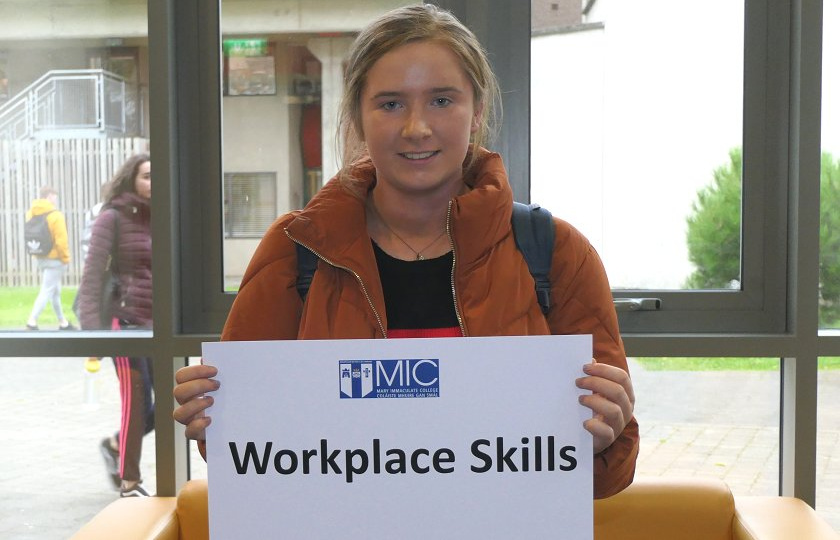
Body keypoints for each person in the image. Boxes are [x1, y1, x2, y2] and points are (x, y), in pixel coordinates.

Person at [173, 4, 638, 499]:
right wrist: (214, 419)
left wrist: (602, 433)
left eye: (441, 100)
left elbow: (610, 473)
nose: (417, 127)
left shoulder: (554, 252)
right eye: (391, 104)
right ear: (358, 117)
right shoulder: (295, 252)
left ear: (476, 111)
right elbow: (254, 454)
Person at [77, 154, 154, 497]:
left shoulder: (162, 217)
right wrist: (94, 336)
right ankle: (129, 482)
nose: (154, 183)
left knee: (159, 407)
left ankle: (113, 445)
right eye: (148, 176)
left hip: (158, 326)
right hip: (125, 322)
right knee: (135, 403)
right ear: (131, 180)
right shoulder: (113, 218)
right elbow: (92, 278)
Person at [25, 185, 76, 331]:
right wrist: (66, 258)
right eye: (54, 196)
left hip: (40, 256)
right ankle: (32, 321)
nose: (55, 199)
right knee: (47, 290)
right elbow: (61, 241)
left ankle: (63, 322)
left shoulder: (31, 213)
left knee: (55, 291)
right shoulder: (56, 215)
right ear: (49, 196)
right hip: (55, 260)